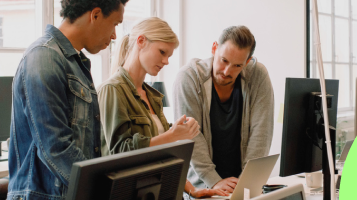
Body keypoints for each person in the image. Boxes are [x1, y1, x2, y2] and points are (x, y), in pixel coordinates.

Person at [7, 0, 126, 199]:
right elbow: (55, 147)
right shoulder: (44, 57)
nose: (114, 35)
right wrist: (102, 190)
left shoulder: (74, 63)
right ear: (95, 15)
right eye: (115, 24)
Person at [97, 17, 227, 198]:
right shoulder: (112, 90)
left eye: (169, 56)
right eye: (162, 52)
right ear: (141, 41)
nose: (166, 61)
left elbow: (165, 158)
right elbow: (120, 152)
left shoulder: (152, 96)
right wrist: (172, 135)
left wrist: (192, 190)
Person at [173, 25, 275, 192]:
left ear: (247, 62)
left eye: (237, 66)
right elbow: (191, 137)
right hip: (203, 188)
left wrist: (247, 183)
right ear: (214, 48)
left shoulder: (258, 75)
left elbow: (261, 132)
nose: (227, 71)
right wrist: (213, 181)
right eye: (224, 60)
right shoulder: (189, 77)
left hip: (242, 186)